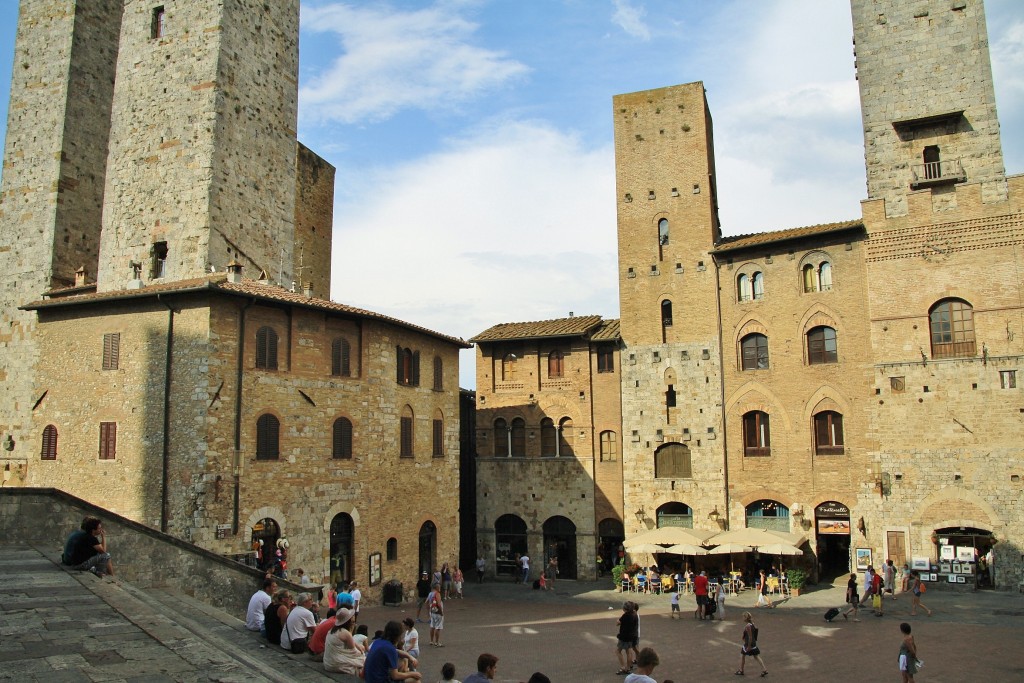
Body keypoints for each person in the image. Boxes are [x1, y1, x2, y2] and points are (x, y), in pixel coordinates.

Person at [323, 607, 365, 675]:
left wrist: (358, 646)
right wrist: (362, 651)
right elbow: (353, 651)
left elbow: (352, 643)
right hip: (336, 664)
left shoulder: (332, 630)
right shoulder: (345, 633)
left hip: (328, 662)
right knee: (364, 660)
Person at [736, 611, 768, 677]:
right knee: (756, 656)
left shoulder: (748, 626)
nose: (742, 618)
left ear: (745, 618)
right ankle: (764, 669)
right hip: (753, 644)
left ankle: (741, 670)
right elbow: (755, 632)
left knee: (742, 656)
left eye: (743, 617)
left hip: (748, 644)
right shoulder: (752, 624)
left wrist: (749, 646)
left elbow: (750, 637)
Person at [615, 601, 638, 675]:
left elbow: (618, 623)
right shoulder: (634, 614)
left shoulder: (625, 615)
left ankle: (623, 667)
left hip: (624, 636)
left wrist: (618, 621)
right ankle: (628, 667)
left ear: (625, 609)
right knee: (628, 651)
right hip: (631, 636)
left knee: (618, 651)